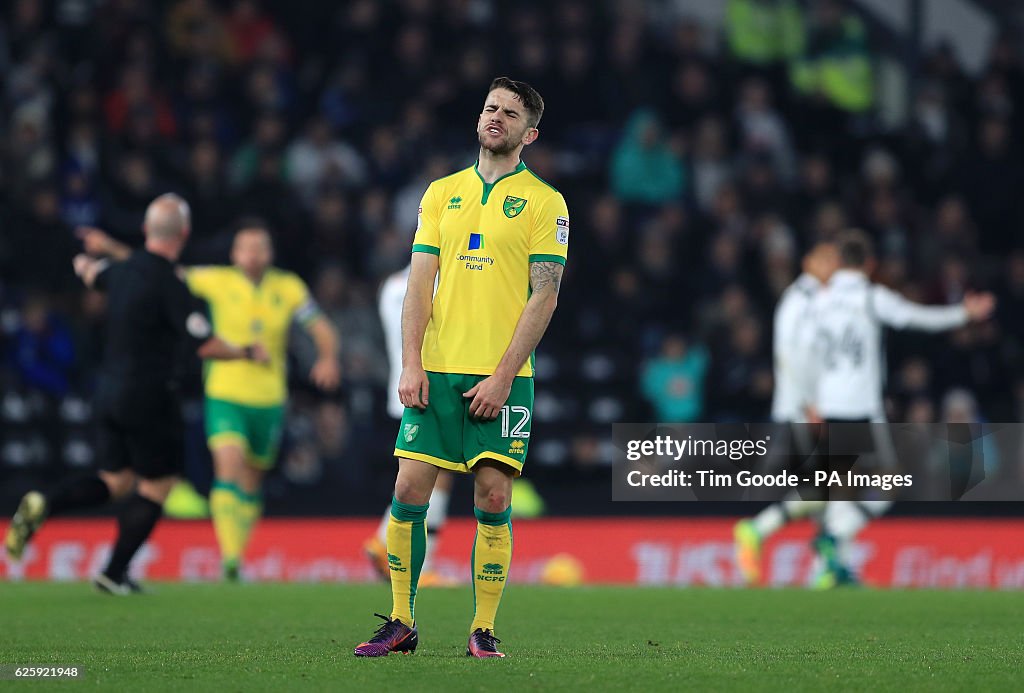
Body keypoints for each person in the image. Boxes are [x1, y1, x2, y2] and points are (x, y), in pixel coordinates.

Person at [353, 77, 568, 659]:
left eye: (511, 113)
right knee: (408, 488)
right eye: (491, 107)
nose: (497, 117)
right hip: (438, 370)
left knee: (493, 497)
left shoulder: (547, 203)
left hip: (501, 376)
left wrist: (502, 378)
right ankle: (400, 620)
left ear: (531, 133)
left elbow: (543, 296)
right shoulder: (441, 193)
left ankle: (482, 629)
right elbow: (418, 284)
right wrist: (410, 363)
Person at [5, 194, 266, 594]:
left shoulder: (123, 271)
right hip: (150, 395)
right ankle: (114, 571)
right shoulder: (170, 284)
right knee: (157, 485)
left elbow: (92, 274)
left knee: (116, 479)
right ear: (184, 234)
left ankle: (45, 502)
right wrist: (246, 351)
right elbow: (204, 342)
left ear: (146, 231)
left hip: (107, 391)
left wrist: (86, 263)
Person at [79, 220, 341, 581]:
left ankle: (237, 551)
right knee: (228, 464)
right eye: (245, 248)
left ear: (270, 253)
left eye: (259, 247)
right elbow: (157, 271)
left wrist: (327, 357)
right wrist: (110, 246)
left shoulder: (289, 286)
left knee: (252, 480)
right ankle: (231, 559)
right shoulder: (216, 280)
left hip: (269, 399)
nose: (252, 255)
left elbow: (320, 326)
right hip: (224, 391)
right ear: (234, 254)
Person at [806, 229, 994, 587]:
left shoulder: (819, 300)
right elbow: (915, 317)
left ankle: (826, 572)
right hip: (860, 408)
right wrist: (963, 314)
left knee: (841, 492)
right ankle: (832, 543)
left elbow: (807, 352)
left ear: (838, 262)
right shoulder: (870, 297)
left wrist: (809, 398)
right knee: (887, 485)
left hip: (828, 408)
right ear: (870, 264)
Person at [734, 242, 838, 586]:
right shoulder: (801, 300)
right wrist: (809, 402)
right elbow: (789, 355)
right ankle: (758, 529)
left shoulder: (816, 300)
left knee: (824, 490)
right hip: (801, 408)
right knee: (825, 489)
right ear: (809, 262)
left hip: (810, 406)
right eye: (826, 260)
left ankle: (823, 570)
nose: (833, 267)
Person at [364, 264, 457, 587]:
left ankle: (382, 541)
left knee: (419, 473)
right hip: (430, 386)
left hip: (403, 384)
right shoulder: (433, 284)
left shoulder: (391, 284)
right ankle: (421, 562)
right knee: (437, 473)